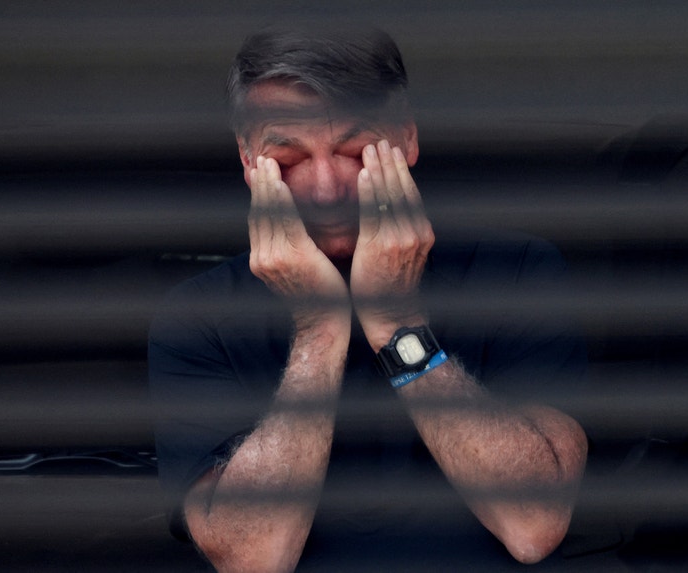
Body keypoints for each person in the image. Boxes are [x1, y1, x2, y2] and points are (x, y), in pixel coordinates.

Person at [149, 26, 588, 573]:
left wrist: (396, 321)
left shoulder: (518, 273)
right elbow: (251, 558)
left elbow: (533, 526)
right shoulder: (198, 318)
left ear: (407, 136)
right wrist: (319, 329)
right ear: (246, 158)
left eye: (354, 150)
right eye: (289, 157)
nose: (326, 189)